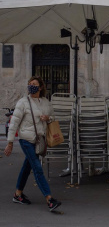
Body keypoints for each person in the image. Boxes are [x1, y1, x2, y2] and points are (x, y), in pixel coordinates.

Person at [4, 76, 61, 212]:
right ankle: (49, 199)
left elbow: (53, 117)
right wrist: (10, 142)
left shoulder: (46, 102)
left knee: (27, 167)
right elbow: (14, 123)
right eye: (30, 84)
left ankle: (18, 194)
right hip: (26, 140)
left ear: (40, 87)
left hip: (39, 140)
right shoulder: (23, 102)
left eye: (34, 84)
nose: (31, 86)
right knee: (37, 167)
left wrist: (48, 118)